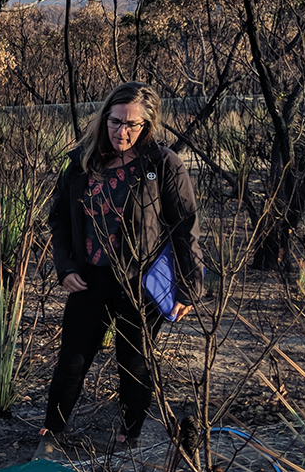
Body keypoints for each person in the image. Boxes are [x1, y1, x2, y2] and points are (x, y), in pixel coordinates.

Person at [38, 81, 203, 453]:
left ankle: (130, 433)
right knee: (72, 359)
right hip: (89, 278)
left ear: (147, 125)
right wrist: (64, 267)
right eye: (116, 122)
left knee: (134, 361)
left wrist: (189, 287)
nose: (122, 131)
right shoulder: (81, 162)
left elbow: (185, 226)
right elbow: (59, 220)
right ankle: (53, 429)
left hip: (139, 281)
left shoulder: (161, 164)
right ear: (104, 117)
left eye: (133, 125)